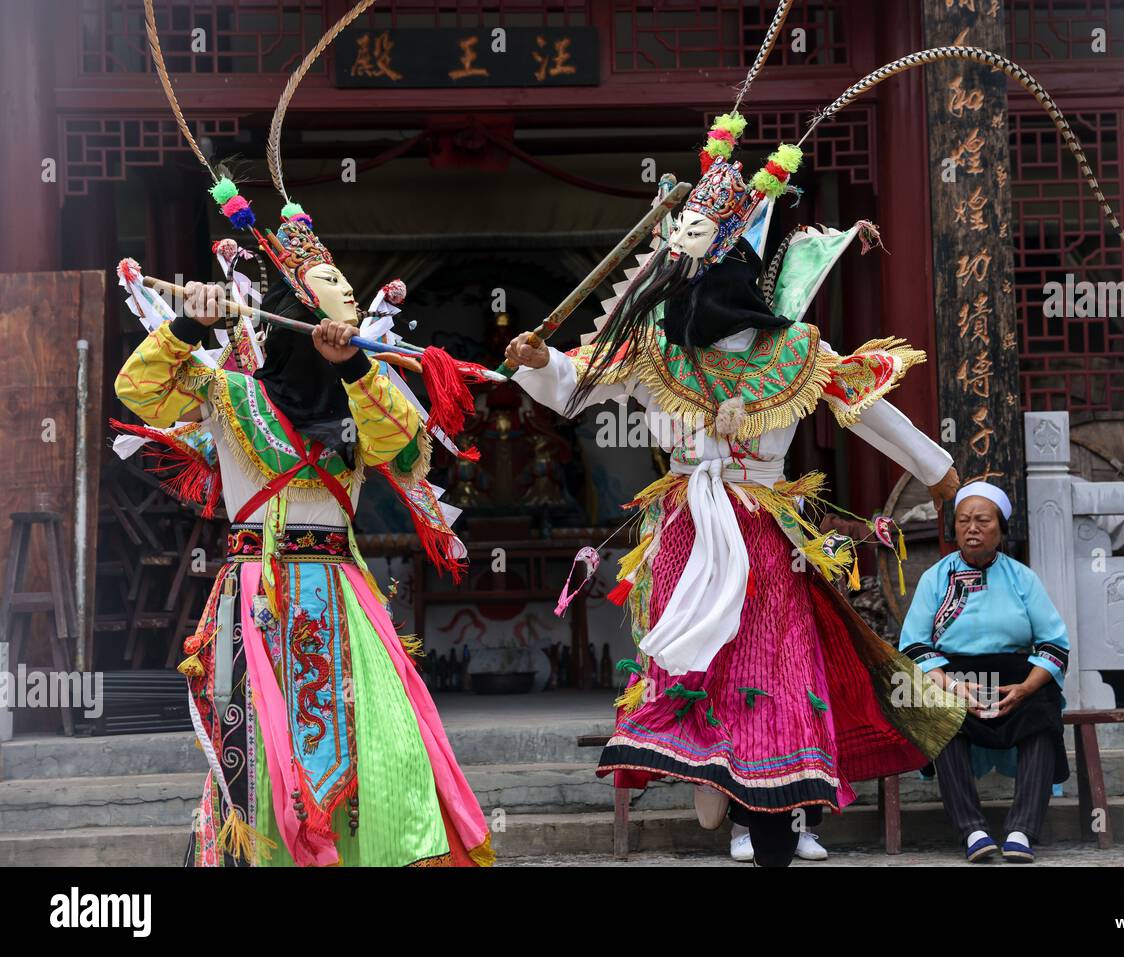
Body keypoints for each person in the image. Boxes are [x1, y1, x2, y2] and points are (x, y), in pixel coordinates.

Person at [505, 103, 966, 866]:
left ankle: (772, 799)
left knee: (776, 661)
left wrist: (940, 473)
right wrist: (536, 361)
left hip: (765, 526)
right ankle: (716, 773)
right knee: (699, 663)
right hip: (689, 524)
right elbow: (576, 388)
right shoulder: (653, 348)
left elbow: (866, 409)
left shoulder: (798, 351)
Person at [113, 2, 491, 865]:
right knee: (258, 770)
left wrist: (357, 367)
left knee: (373, 758)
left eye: (351, 308)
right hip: (256, 601)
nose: (347, 318)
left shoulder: (370, 393)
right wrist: (185, 328)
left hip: (346, 601)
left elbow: (399, 444)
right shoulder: (231, 391)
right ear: (291, 314)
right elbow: (142, 395)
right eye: (331, 307)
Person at [898, 482, 1071, 864]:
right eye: (963, 521)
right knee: (941, 714)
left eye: (982, 520)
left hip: (1015, 678)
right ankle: (972, 830)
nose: (972, 528)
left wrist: (1026, 688)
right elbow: (912, 645)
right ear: (954, 529)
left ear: (1001, 529)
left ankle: (1022, 830)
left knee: (1042, 714)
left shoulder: (1022, 578)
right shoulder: (935, 578)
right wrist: (952, 685)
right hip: (952, 677)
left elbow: (1055, 644)